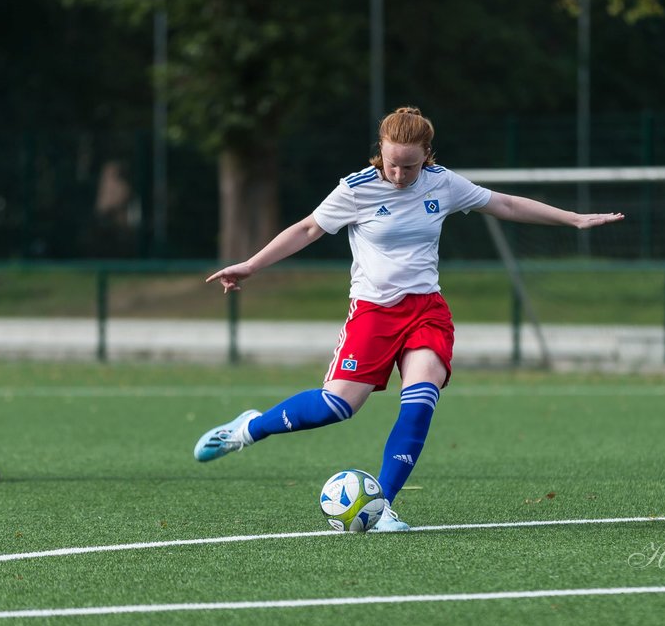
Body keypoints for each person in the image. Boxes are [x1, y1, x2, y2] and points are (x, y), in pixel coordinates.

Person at [194, 106, 623, 531]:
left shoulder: (443, 184)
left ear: (427, 154)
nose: (400, 175)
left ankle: (382, 508)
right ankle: (250, 428)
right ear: (379, 151)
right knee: (336, 406)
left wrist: (573, 219)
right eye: (393, 164)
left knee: (418, 406)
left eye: (411, 166)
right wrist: (250, 265)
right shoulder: (356, 190)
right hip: (372, 314)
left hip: (426, 312)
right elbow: (307, 229)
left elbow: (506, 204)